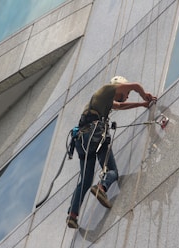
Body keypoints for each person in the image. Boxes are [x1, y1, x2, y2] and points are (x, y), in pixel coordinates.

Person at [66, 76, 157, 229]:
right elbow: (135, 85)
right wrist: (144, 95)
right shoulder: (106, 90)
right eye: (126, 93)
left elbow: (120, 106)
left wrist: (141, 104)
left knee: (85, 181)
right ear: (120, 86)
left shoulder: (103, 102)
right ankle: (102, 187)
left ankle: (72, 215)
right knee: (112, 170)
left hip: (82, 141)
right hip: (95, 135)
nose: (126, 96)